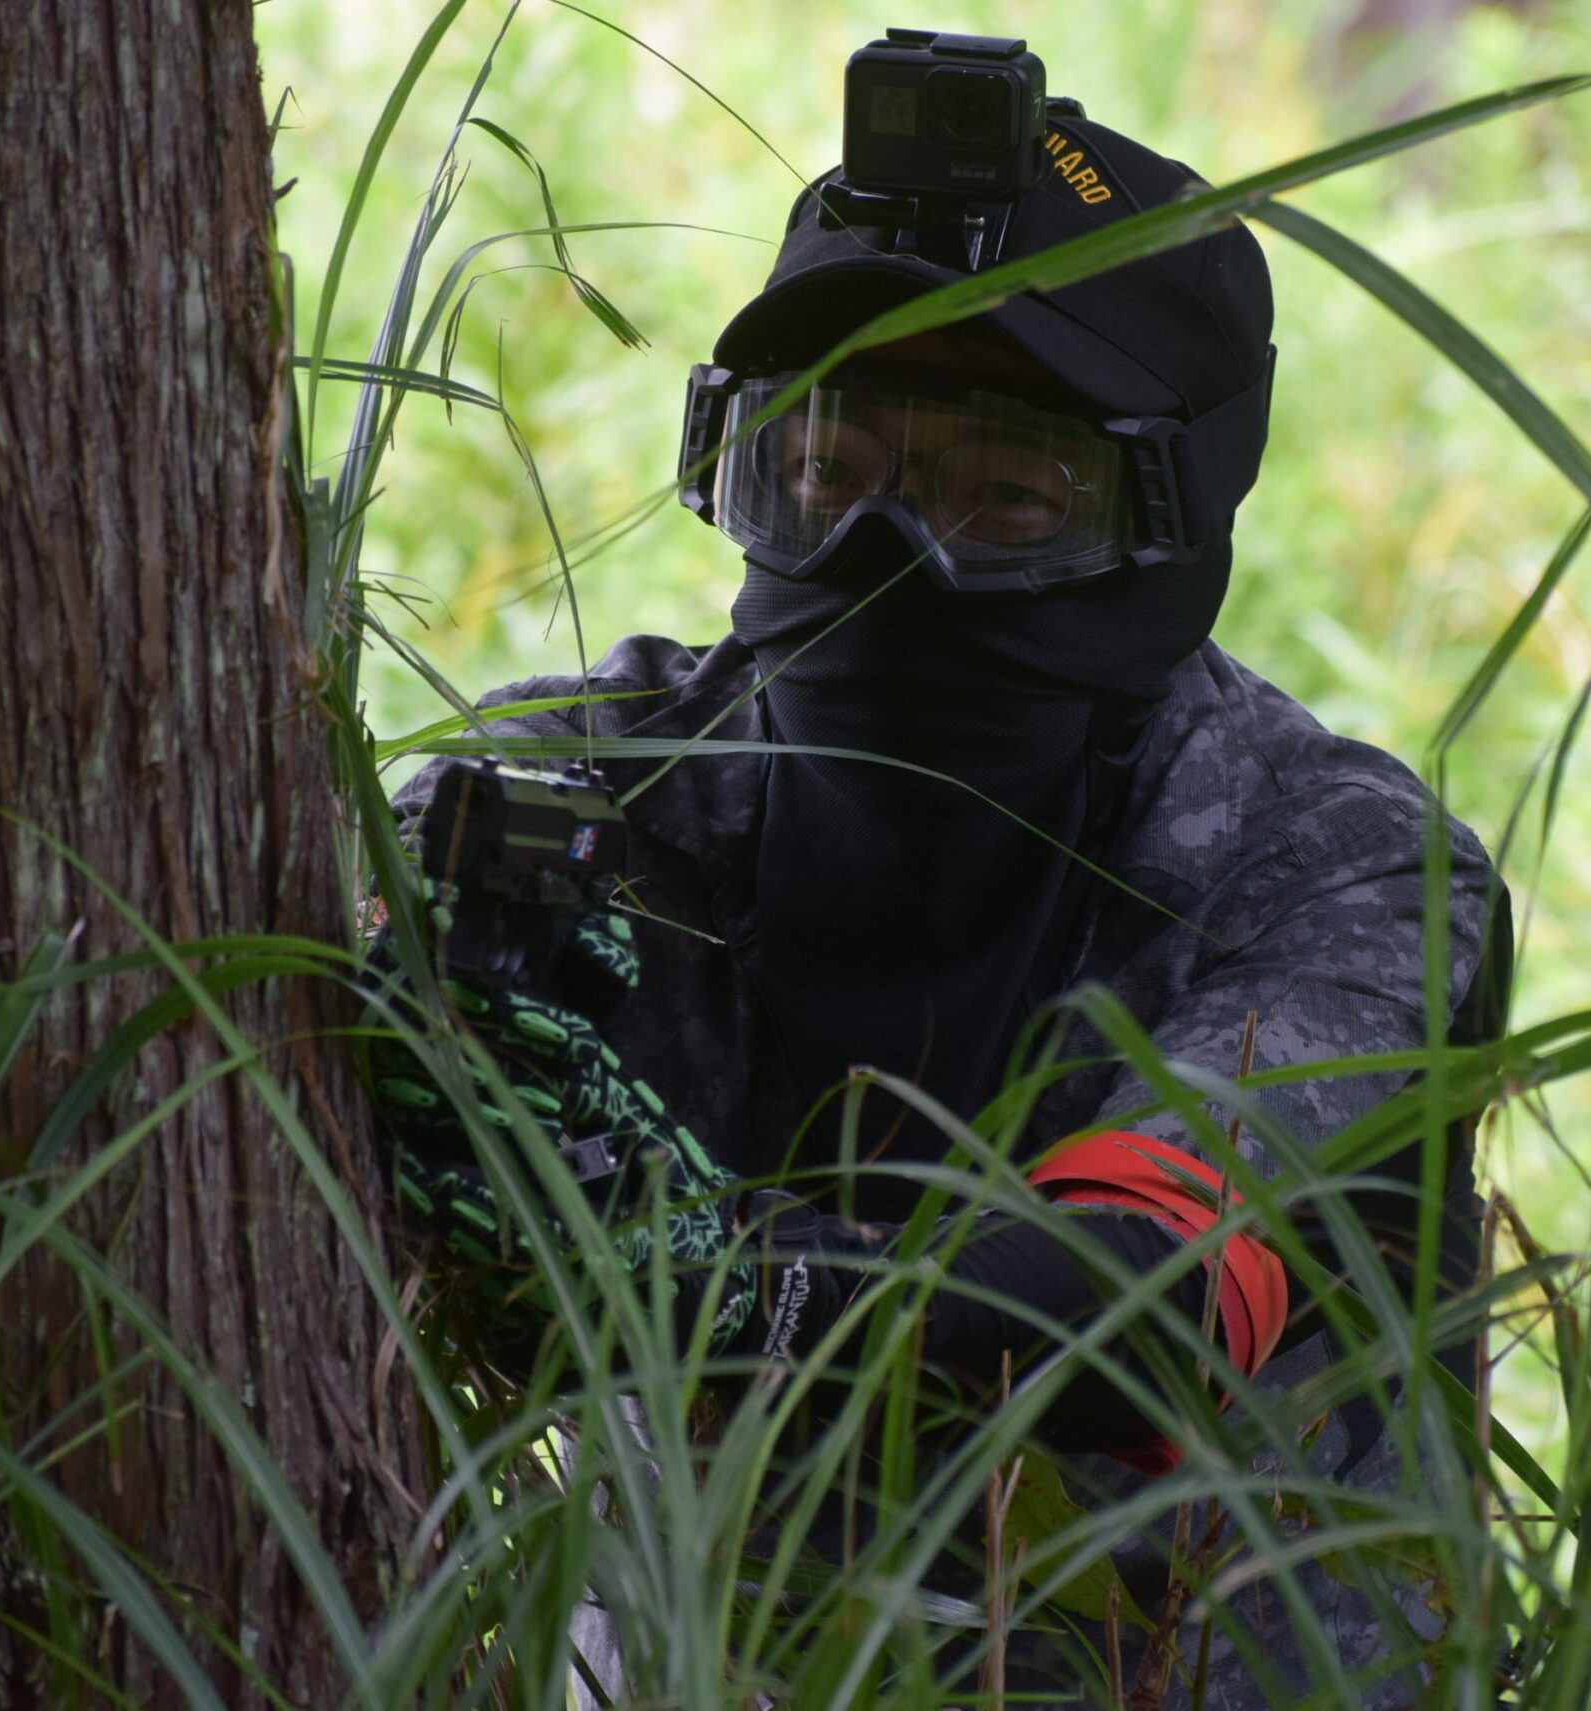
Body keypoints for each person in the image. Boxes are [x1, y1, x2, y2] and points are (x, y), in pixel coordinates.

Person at [367, 91, 1511, 1711]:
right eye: (827, 469)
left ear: (1164, 517)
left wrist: (711, 1278)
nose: (888, 551)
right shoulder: (572, 805)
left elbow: (1134, 1318)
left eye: (1011, 499)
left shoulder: (1337, 870)